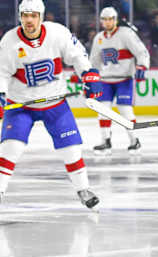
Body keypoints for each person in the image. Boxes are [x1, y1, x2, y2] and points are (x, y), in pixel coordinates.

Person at [0, 0, 102, 210]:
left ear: (41, 16)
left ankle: (83, 189)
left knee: (71, 148)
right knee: (11, 148)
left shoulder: (58, 34)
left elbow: (78, 56)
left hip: (55, 103)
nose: (29, 20)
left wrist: (88, 74)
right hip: (21, 105)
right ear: (20, 17)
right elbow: (1, 72)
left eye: (33, 15)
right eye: (25, 15)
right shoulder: (9, 41)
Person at [82, 7, 150, 155]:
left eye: (110, 19)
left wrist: (142, 66)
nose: (107, 22)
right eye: (104, 19)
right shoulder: (99, 38)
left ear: (115, 19)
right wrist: (89, 78)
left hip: (124, 80)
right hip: (105, 81)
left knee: (125, 111)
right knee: (102, 111)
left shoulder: (126, 34)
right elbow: (94, 61)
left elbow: (141, 51)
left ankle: (134, 141)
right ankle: (105, 142)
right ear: (101, 21)